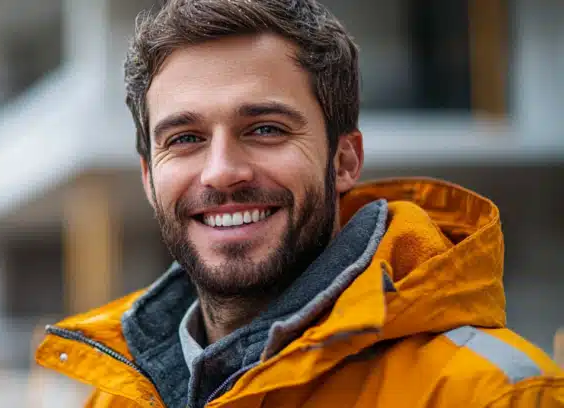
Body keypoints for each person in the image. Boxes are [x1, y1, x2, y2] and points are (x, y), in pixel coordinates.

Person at [34, 0, 564, 406]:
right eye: (185, 138)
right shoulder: (117, 396)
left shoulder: (493, 394)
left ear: (344, 161)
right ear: (150, 179)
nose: (222, 172)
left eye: (265, 129)